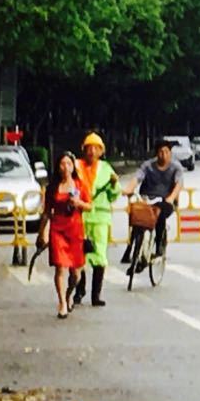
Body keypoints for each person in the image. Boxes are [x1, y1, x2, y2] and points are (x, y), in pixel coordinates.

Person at [38, 151, 90, 319]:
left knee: (76, 273)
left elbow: (90, 206)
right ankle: (61, 302)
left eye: (69, 163)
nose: (65, 167)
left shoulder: (80, 185)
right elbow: (46, 212)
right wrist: (42, 233)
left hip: (75, 230)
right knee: (60, 267)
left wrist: (79, 203)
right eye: (62, 164)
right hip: (57, 229)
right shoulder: (52, 188)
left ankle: (69, 294)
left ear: (73, 166)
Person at [70, 132, 119, 308]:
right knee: (78, 254)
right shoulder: (76, 167)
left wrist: (113, 184)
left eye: (96, 148)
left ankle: (96, 295)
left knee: (100, 255)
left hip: (100, 218)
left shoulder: (106, 169)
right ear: (83, 150)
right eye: (89, 148)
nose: (92, 151)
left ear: (101, 151)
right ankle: (79, 290)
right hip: (79, 217)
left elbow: (114, 195)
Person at [123, 139, 184, 261]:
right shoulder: (148, 166)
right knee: (138, 220)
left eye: (166, 152)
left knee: (160, 216)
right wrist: (128, 189)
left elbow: (178, 184)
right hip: (147, 199)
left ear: (170, 153)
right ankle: (129, 250)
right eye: (161, 152)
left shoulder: (176, 167)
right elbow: (137, 177)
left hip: (165, 201)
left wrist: (171, 198)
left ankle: (159, 249)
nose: (164, 155)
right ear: (156, 153)